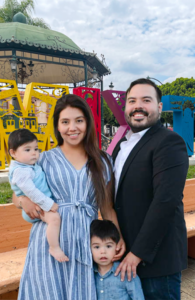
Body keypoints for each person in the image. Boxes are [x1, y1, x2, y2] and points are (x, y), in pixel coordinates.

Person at [12, 94, 125, 300]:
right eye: (65, 122)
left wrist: (117, 237)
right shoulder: (43, 159)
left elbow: (107, 207)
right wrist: (23, 200)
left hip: (86, 239)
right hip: (49, 241)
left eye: (79, 120)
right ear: (57, 125)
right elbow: (17, 194)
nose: (72, 128)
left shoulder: (103, 160)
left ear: (88, 123)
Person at [113, 78, 189, 300]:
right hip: (124, 253)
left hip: (155, 259)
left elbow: (165, 201)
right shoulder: (122, 144)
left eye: (146, 100)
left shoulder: (169, 142)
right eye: (132, 101)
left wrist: (138, 253)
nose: (138, 106)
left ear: (159, 107)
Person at [8, 129, 69, 262]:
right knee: (54, 219)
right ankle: (54, 247)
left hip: (40, 204)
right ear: (13, 153)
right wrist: (48, 204)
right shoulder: (21, 170)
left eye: (36, 149)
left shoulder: (29, 165)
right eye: (27, 150)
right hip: (37, 207)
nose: (34, 153)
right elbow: (31, 191)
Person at [90, 219, 145, 300]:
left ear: (117, 247)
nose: (103, 251)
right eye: (97, 247)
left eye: (108, 246)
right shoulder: (89, 274)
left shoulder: (126, 273)